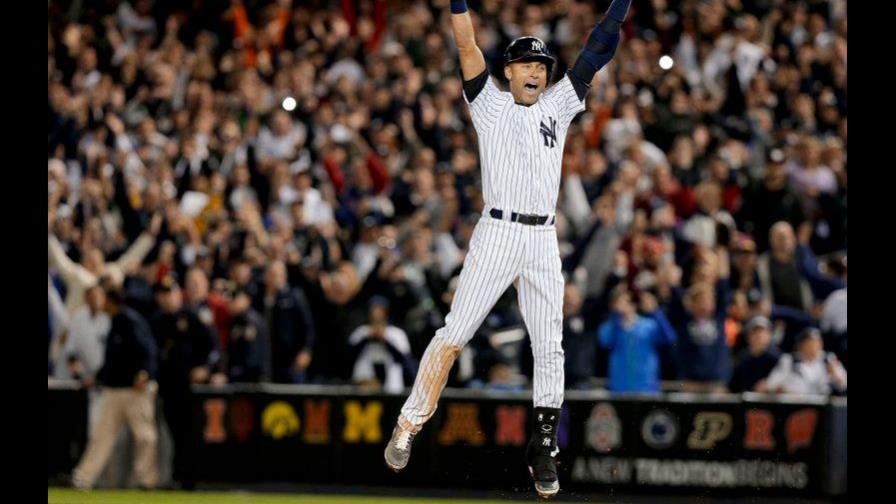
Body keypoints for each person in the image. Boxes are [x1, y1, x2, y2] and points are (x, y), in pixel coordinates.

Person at [384, 0, 632, 497]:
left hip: (542, 236)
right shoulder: (489, 104)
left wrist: (619, 8)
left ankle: (543, 448)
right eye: (526, 64)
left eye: (542, 65)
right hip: (497, 231)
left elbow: (598, 48)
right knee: (454, 333)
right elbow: (465, 44)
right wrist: (458, 5)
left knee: (550, 345)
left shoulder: (559, 106)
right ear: (509, 72)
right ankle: (410, 422)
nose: (536, 71)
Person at [71, 280, 159, 490]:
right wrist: (99, 377)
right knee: (102, 436)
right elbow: (112, 359)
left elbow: (148, 350)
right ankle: (83, 477)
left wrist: (145, 373)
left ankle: (146, 481)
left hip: (135, 390)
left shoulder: (130, 320)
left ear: (112, 302)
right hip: (114, 389)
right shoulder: (114, 321)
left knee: (145, 436)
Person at [149, 275, 221, 489]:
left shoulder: (192, 317)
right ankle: (176, 476)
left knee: (189, 433)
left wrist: (206, 369)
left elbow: (213, 348)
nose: (167, 299)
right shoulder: (157, 321)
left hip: (190, 388)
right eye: (163, 295)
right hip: (168, 387)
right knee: (172, 433)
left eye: (170, 293)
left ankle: (191, 478)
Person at [597, 288, 677, 394]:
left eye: (628, 301)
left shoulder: (649, 325)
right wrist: (617, 317)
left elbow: (670, 338)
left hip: (647, 387)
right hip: (619, 388)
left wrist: (655, 311)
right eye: (620, 302)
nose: (625, 306)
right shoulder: (607, 327)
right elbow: (606, 343)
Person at [348, 297, 416, 393]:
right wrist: (368, 338)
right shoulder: (362, 332)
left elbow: (404, 360)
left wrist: (385, 340)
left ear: (386, 312)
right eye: (374, 310)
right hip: (365, 382)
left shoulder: (396, 333)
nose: (377, 313)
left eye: (380, 309)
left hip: (392, 383)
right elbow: (348, 358)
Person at [765, 327, 847, 396]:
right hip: (795, 406)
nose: (813, 348)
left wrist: (834, 374)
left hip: (824, 408)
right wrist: (784, 390)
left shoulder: (828, 359)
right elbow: (772, 384)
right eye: (809, 344)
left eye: (816, 344)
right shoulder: (789, 360)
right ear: (800, 345)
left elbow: (843, 384)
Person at [728, 316, 781, 393]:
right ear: (748, 336)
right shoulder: (742, 359)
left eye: (764, 332)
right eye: (755, 332)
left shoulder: (777, 358)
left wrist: (770, 384)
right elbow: (734, 386)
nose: (760, 336)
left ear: (770, 336)